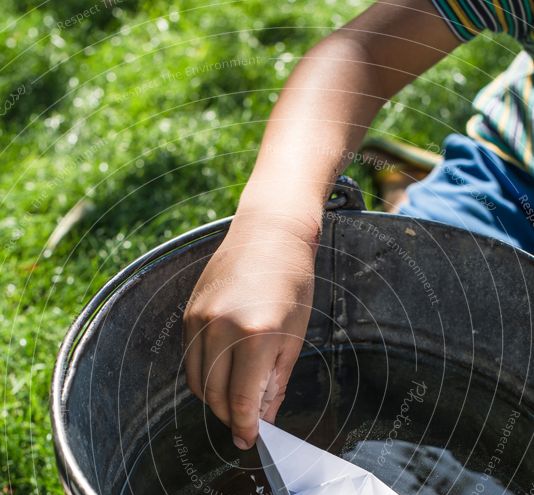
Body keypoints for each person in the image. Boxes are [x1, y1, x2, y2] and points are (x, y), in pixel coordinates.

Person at [183, 0, 534, 451]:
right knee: (395, 316)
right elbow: (360, 55)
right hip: (510, 182)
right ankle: (416, 194)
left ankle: (404, 187)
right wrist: (275, 228)